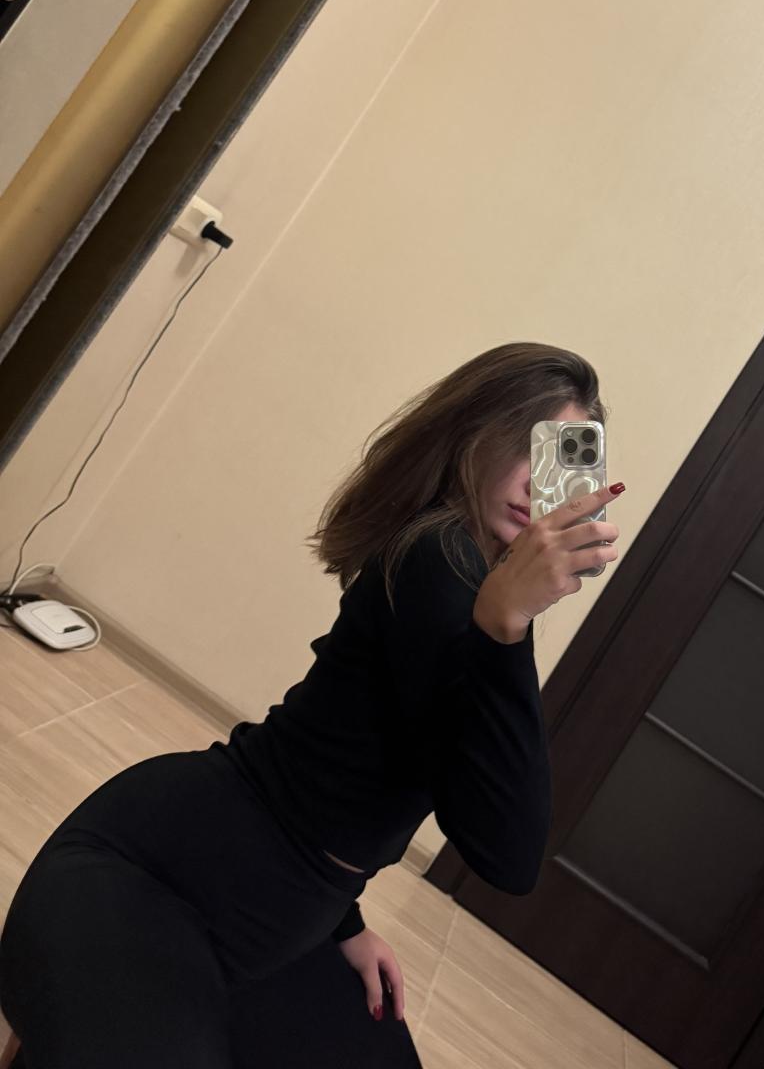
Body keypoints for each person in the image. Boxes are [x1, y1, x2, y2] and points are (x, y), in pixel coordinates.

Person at [0, 343, 623, 1067]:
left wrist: (343, 921)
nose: (533, 481)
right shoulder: (440, 559)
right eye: (520, 443)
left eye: (553, 459)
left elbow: (356, 757)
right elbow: (507, 854)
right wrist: (507, 629)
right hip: (156, 879)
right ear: (470, 438)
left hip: (276, 907)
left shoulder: (473, 579)